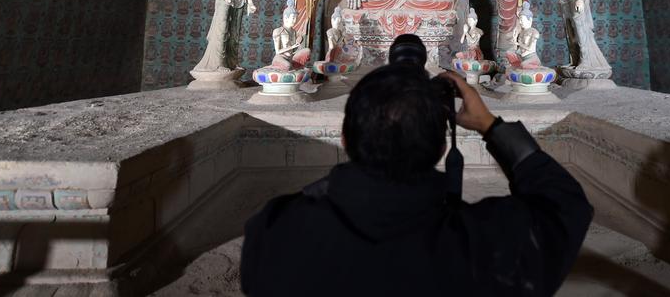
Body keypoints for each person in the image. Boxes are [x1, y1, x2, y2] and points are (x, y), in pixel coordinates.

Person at [240, 38, 593, 296]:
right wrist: (489, 123)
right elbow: (565, 206)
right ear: (442, 147)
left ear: (345, 138)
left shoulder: (276, 232)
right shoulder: (490, 246)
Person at [269, 0, 311, 70]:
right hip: (281, 57)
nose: (295, 21)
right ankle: (291, 67)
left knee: (307, 50)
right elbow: (278, 51)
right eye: (293, 18)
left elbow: (294, 50)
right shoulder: (278, 31)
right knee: (288, 66)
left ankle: (295, 67)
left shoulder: (293, 31)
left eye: (296, 18)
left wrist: (298, 43)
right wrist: (292, 47)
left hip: (291, 57)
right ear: (285, 17)